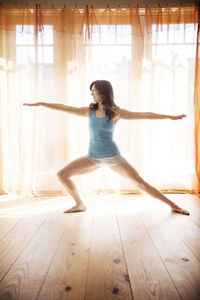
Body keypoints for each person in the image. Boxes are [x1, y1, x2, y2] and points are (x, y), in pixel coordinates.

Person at [23, 80, 190, 215]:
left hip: (113, 157)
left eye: (94, 90)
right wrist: (40, 103)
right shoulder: (89, 111)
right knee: (62, 174)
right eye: (92, 91)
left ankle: (173, 205)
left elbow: (145, 115)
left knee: (142, 184)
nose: (92, 93)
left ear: (103, 92)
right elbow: (63, 107)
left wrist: (170, 117)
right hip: (92, 158)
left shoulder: (117, 112)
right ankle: (80, 204)